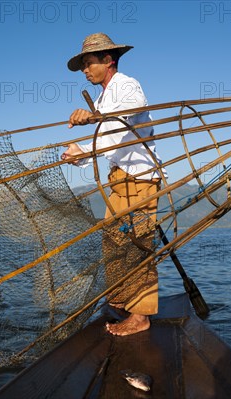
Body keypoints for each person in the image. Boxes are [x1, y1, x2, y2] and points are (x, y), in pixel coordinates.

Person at [62, 33, 165, 336]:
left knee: (137, 245)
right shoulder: (104, 97)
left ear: (108, 60)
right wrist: (79, 156)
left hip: (140, 179)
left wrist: (93, 117)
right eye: (82, 64)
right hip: (119, 181)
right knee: (115, 243)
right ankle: (121, 301)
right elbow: (108, 143)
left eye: (88, 62)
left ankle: (141, 316)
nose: (85, 69)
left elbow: (135, 106)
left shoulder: (126, 85)